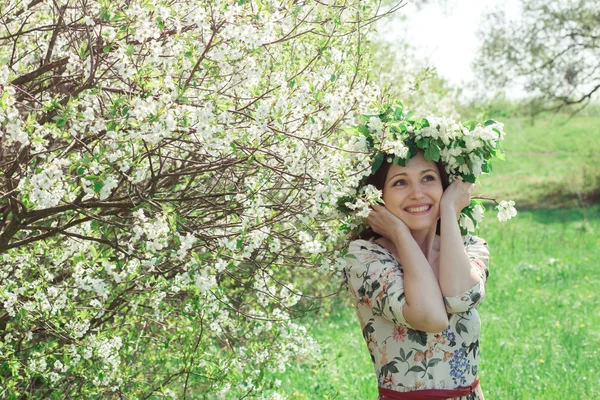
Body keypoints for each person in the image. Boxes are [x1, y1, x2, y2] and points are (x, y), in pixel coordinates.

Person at [343, 150, 490, 400]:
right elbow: (432, 318)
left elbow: (460, 298)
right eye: (400, 182)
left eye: (428, 178)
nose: (417, 193)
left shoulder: (471, 247)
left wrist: (448, 211)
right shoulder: (364, 258)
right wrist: (400, 234)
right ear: (378, 196)